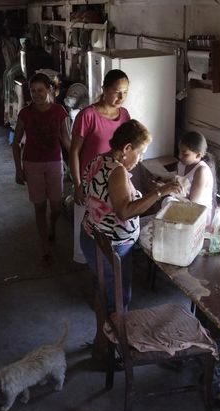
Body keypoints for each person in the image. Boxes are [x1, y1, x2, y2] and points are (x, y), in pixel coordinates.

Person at [80, 120, 179, 313]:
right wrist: (161, 192)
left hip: (94, 237)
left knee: (105, 291)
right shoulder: (117, 171)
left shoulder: (99, 160)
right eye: (140, 152)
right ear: (127, 148)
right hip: (110, 246)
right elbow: (124, 211)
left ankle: (104, 336)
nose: (141, 158)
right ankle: (115, 339)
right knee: (117, 299)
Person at [69, 69, 131, 264]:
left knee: (109, 230)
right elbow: (74, 152)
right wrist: (77, 184)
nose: (121, 97)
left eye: (125, 92)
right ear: (104, 89)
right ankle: (92, 270)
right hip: (90, 184)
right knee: (89, 230)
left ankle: (105, 268)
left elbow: (126, 150)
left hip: (113, 183)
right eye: (116, 91)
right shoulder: (87, 115)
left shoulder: (124, 115)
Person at [12, 73, 71, 264]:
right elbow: (16, 142)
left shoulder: (59, 111)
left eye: (40, 90)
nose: (36, 94)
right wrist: (18, 169)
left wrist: (77, 162)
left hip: (54, 162)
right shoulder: (25, 113)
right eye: (33, 91)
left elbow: (66, 139)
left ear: (50, 90)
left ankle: (52, 225)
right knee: (39, 207)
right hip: (32, 164)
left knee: (56, 207)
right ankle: (44, 245)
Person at [169, 131, 215, 224]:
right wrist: (165, 186)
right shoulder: (181, 164)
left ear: (198, 155)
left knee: (168, 200)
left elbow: (192, 203)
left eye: (185, 154)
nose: (179, 156)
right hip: (185, 204)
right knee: (167, 201)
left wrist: (170, 192)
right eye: (179, 151)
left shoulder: (201, 171)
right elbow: (179, 186)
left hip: (199, 212)